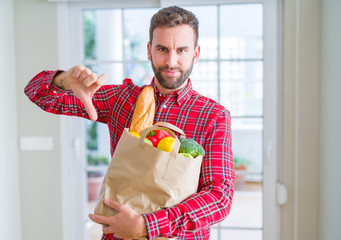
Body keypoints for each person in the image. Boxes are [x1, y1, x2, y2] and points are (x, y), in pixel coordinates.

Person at [25, 6, 235, 240]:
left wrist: (147, 225)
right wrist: (65, 80)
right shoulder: (121, 99)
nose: (171, 61)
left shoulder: (213, 116)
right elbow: (37, 94)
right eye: (162, 49)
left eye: (182, 50)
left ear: (195, 53)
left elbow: (220, 196)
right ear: (149, 50)